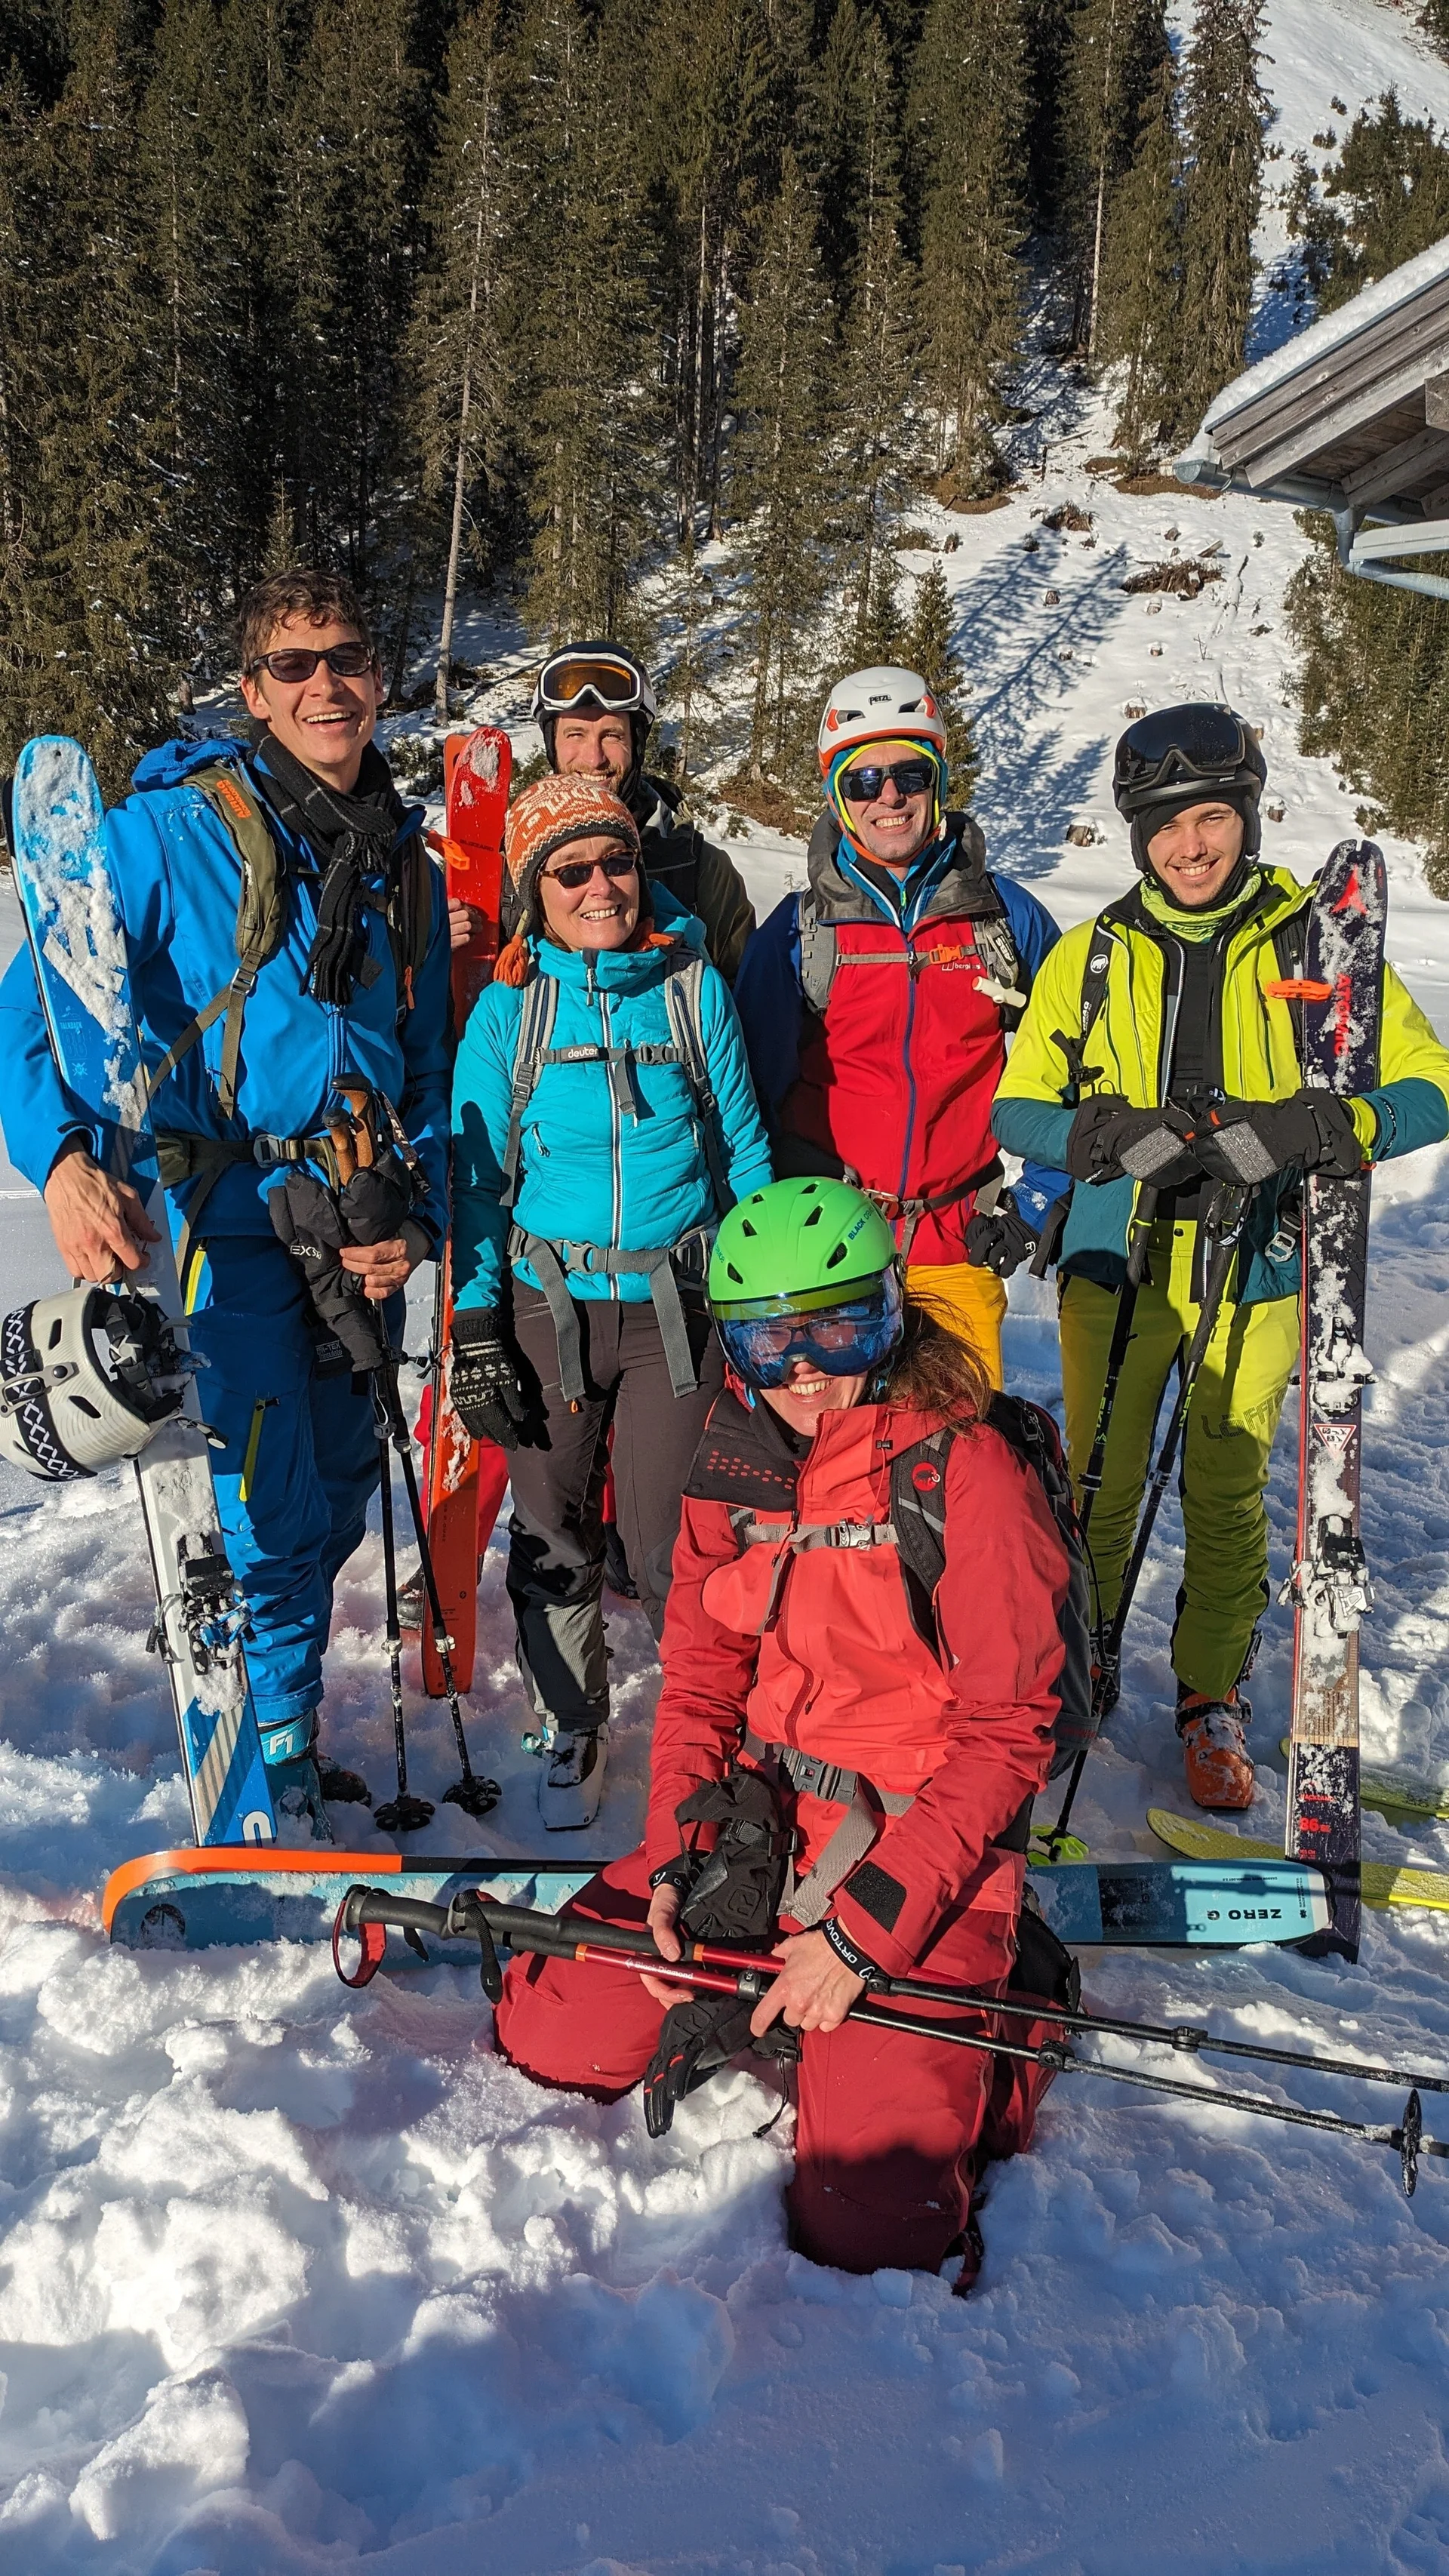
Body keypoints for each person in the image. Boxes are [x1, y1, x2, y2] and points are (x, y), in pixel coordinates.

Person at [493, 1175, 1073, 2281]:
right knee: (550, 2032)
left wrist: (862, 1939)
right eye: (768, 1344)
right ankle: (793, 2010)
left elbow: (1008, 1734)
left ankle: (1013, 2018)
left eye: (839, 1325)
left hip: (916, 1855)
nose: (804, 1369)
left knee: (873, 2217)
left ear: (894, 1309)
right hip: (762, 1831)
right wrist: (677, 1859)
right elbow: (704, 1678)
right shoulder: (735, 1457)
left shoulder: (970, 1466)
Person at [0, 568, 453, 1830]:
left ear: (379, 676)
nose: (328, 685)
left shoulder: (404, 864)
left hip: (352, 1225)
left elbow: (427, 1070)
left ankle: (284, 1716)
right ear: (253, 691)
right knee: (266, 1506)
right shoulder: (168, 834)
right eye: (295, 667)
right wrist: (69, 1159)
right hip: (218, 1219)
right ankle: (270, 1773)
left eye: (348, 659)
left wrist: (416, 1223)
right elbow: (33, 1009)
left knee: (344, 1487)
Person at [992, 702, 1449, 1808]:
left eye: (1211, 817)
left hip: (1258, 1262)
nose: (1190, 845)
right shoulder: (1095, 954)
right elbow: (1019, 1110)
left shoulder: (1315, 940)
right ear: (1135, 832)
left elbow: (1428, 1087)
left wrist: (1316, 1128)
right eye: (1164, 825)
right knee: (1098, 1486)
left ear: (1245, 816)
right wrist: (1106, 1133)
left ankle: (1209, 1698)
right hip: (1121, 1253)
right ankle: (1081, 1661)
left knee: (1227, 1482)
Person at [447, 770, 772, 1829]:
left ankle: (705, 1729)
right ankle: (572, 1716)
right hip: (552, 1302)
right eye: (571, 869)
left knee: (676, 1531)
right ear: (537, 889)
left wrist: (767, 1303)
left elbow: (744, 1154)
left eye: (617, 860)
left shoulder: (691, 987)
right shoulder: (511, 1009)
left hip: (676, 1306)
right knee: (549, 1523)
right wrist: (477, 1320)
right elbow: (478, 1178)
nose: (601, 885)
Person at [731, 667, 1066, 1393]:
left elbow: (1080, 1060)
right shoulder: (799, 933)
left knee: (962, 1465)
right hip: (826, 1245)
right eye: (865, 780)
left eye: (910, 774)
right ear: (837, 796)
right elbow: (742, 1100)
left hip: (959, 1238)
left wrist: (1038, 1195)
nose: (889, 797)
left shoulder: (1003, 918)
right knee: (832, 1471)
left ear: (938, 782)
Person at [524, 641, 756, 982]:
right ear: (551, 745)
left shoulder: (701, 872)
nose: (594, 758)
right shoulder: (515, 866)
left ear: (636, 744)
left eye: (612, 736)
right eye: (575, 734)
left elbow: (745, 1008)